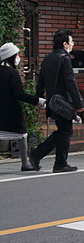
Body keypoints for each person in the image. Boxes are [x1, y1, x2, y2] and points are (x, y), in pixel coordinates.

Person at [29, 28, 84, 173]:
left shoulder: (48, 58)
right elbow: (70, 83)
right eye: (72, 41)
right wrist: (79, 104)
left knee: (63, 131)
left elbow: (41, 81)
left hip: (52, 102)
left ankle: (42, 155)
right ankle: (57, 162)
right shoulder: (64, 58)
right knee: (65, 131)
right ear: (65, 44)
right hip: (63, 103)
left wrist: (39, 98)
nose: (73, 44)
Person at [0, 43, 45, 171]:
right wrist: (38, 100)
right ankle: (25, 163)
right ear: (11, 56)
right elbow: (19, 94)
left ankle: (25, 164)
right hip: (10, 112)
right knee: (22, 134)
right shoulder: (12, 73)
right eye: (17, 54)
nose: (18, 57)